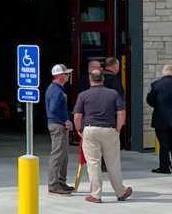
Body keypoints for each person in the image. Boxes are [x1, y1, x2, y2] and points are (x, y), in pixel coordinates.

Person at [73, 64, 132, 203]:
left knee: (93, 163)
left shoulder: (83, 95)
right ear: (103, 79)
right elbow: (121, 112)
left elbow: (77, 116)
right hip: (109, 130)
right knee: (113, 163)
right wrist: (117, 128)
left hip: (90, 130)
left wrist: (78, 129)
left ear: (90, 79)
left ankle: (96, 194)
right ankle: (120, 192)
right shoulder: (113, 93)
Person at [44, 64, 76, 194]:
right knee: (57, 156)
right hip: (58, 126)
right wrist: (65, 120)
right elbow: (53, 109)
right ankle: (53, 185)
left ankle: (61, 182)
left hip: (58, 125)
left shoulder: (56, 89)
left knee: (63, 156)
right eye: (66, 73)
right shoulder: (56, 91)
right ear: (59, 76)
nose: (68, 75)